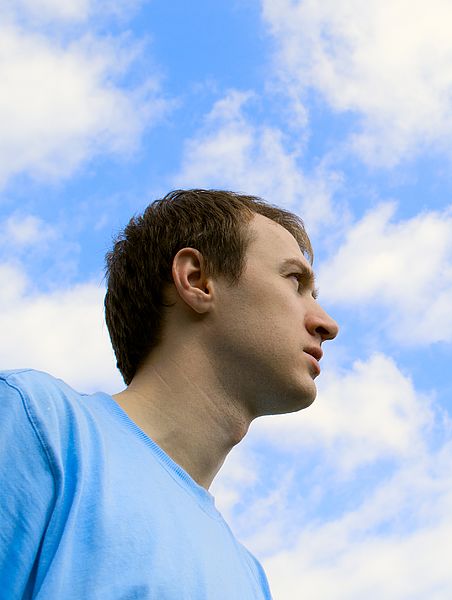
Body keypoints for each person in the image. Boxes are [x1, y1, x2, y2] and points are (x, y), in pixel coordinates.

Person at [0, 189, 339, 598]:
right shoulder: (36, 423)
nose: (327, 324)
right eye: (294, 281)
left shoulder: (250, 577)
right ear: (197, 280)